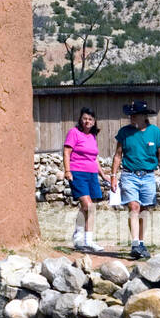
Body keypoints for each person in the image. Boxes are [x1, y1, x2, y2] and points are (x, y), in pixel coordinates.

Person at [110, 100, 160, 260]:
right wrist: (113, 176)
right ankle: (135, 243)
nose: (132, 117)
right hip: (129, 175)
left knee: (143, 210)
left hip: (148, 176)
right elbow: (118, 155)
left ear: (144, 116)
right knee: (134, 207)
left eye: (135, 115)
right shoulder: (124, 132)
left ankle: (141, 243)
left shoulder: (154, 132)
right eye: (131, 115)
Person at [62, 107, 105, 252]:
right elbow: (67, 152)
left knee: (88, 207)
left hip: (91, 174)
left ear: (94, 122)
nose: (87, 121)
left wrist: (103, 174)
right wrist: (67, 170)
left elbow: (94, 159)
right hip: (77, 172)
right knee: (89, 206)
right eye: (85, 118)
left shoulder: (92, 137)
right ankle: (87, 241)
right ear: (81, 119)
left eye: (90, 119)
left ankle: (80, 237)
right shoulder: (74, 133)